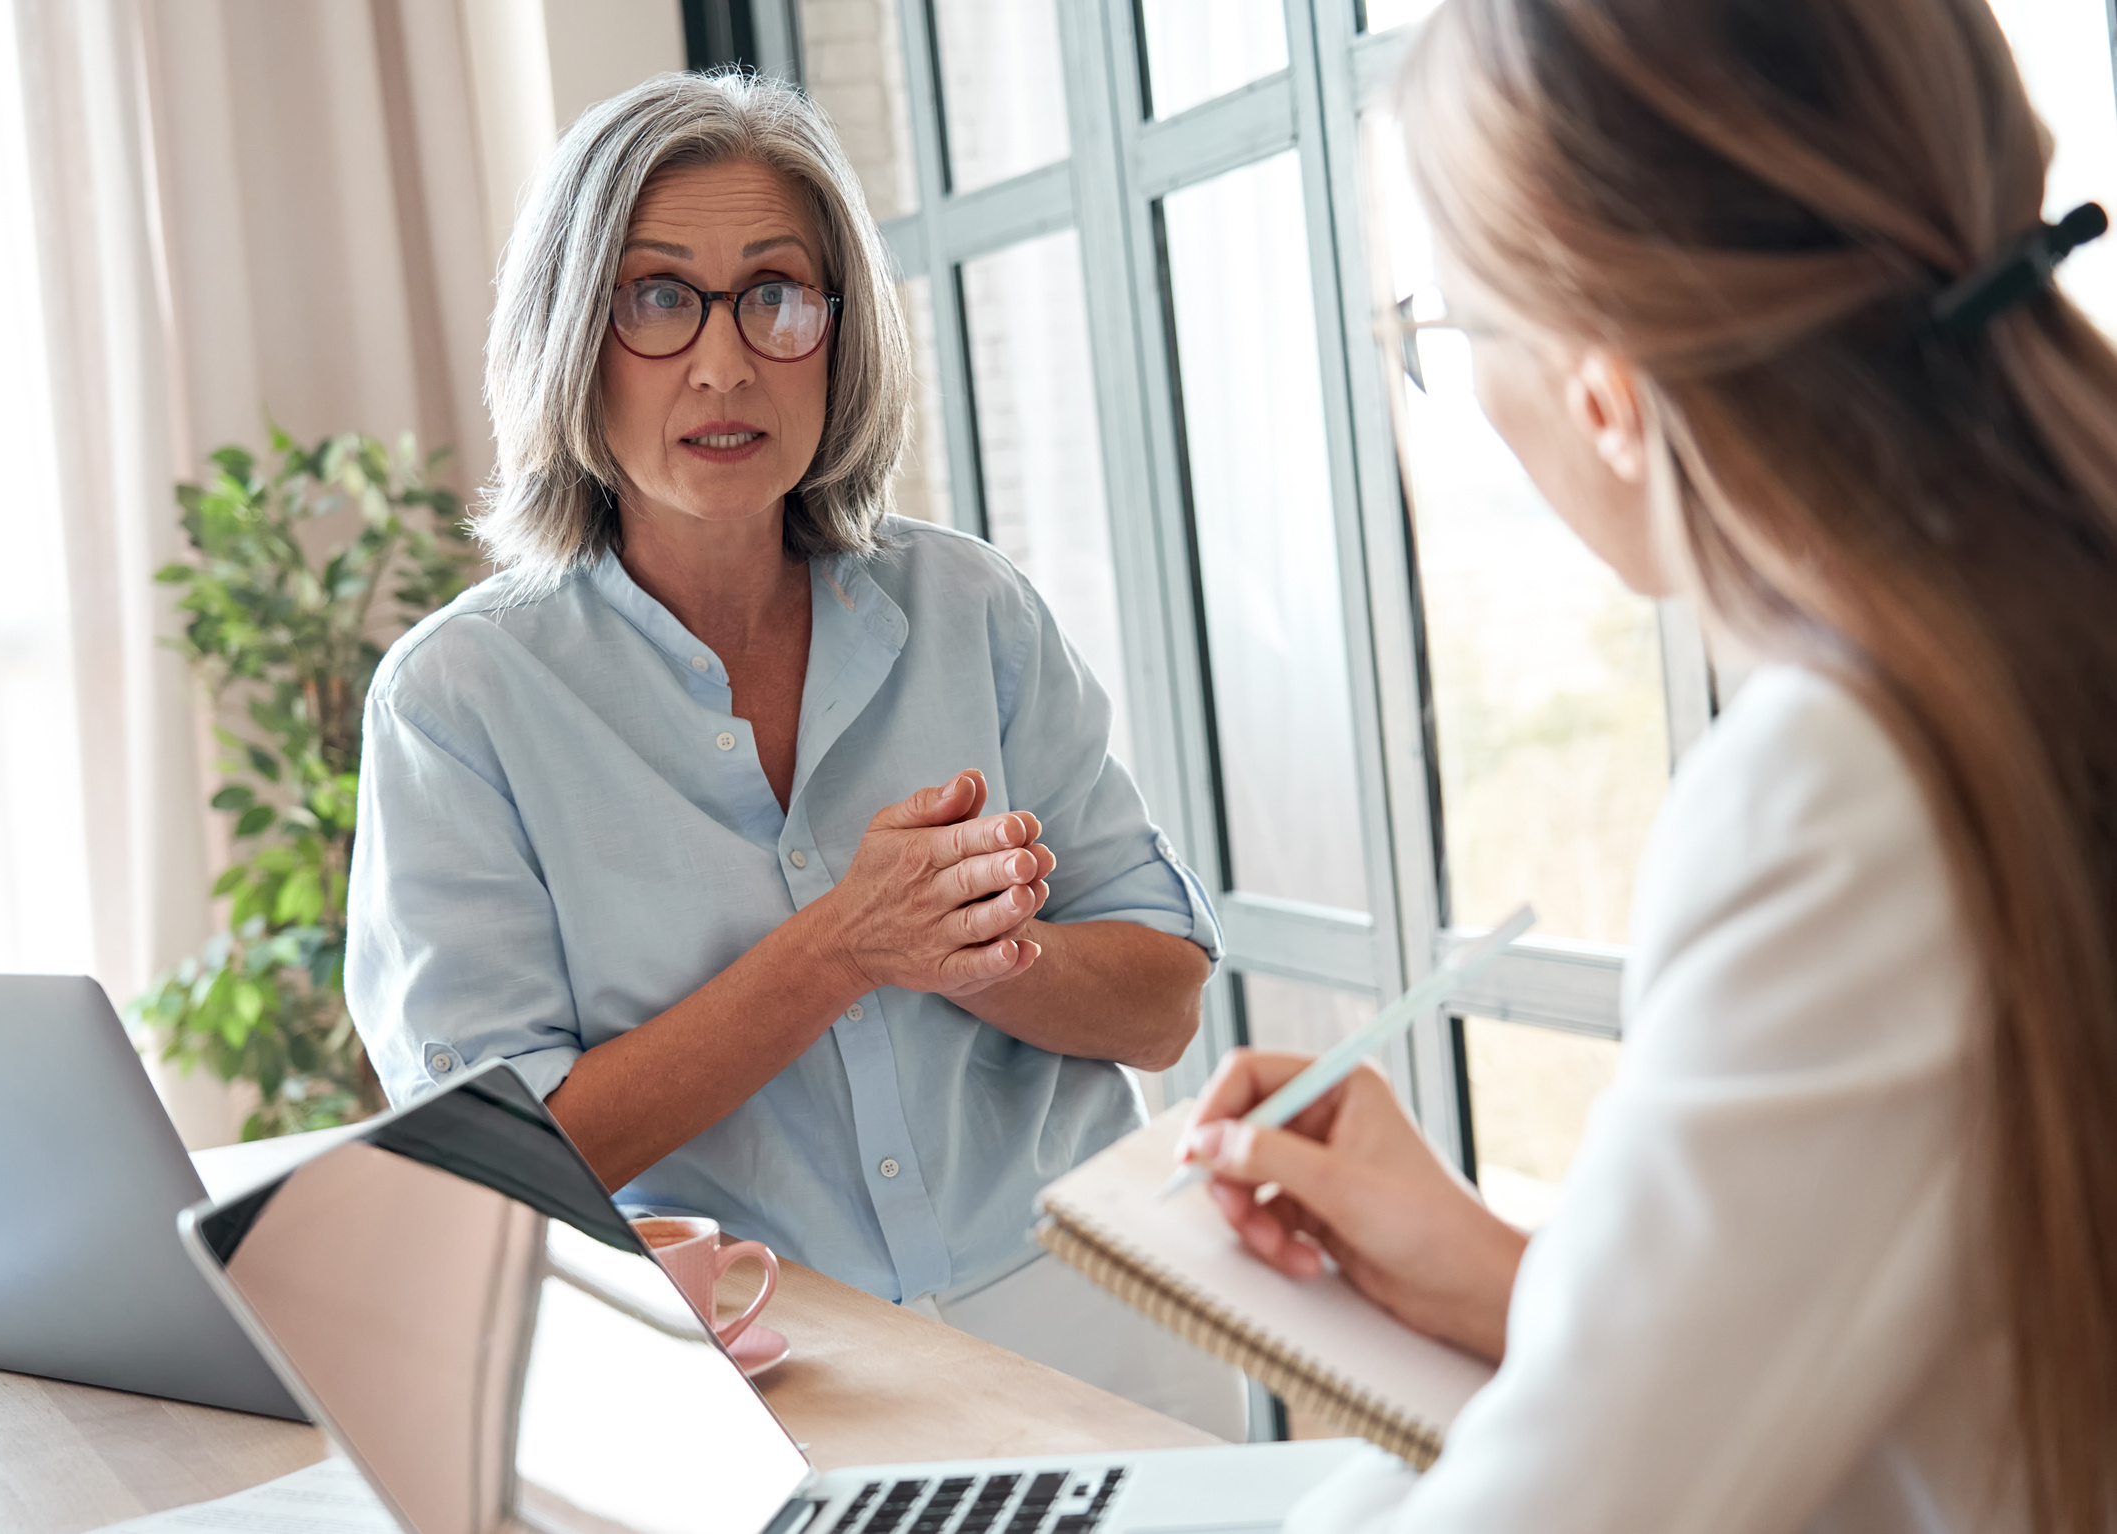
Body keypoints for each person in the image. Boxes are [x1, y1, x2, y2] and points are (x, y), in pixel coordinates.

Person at [1173, 0, 2117, 1528]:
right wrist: (1501, 1274)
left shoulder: (1847, 793)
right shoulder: (2040, 655)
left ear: (1606, 394)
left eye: (1452, 330)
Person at [344, 71, 1244, 1435]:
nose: (725, 362)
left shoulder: (971, 610)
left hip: (1102, 1334)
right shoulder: (458, 703)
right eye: (656, 298)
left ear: (838, 333)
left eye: (778, 294)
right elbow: (509, 1160)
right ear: (569, 338)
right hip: (759, 1386)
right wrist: (845, 945)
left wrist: (982, 949)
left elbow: (1161, 995)